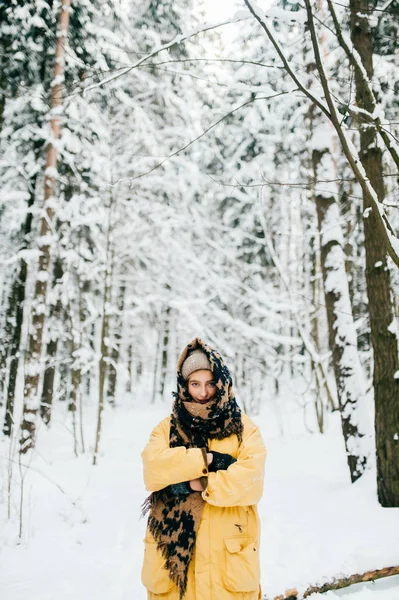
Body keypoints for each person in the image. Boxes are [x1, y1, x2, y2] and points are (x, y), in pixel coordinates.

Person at [141, 337, 266, 600]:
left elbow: (250, 479)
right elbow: (153, 469)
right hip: (173, 567)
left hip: (227, 560)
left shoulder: (243, 428)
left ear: (222, 382)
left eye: (210, 383)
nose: (203, 392)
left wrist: (197, 484)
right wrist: (206, 460)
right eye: (194, 384)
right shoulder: (167, 428)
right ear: (184, 385)